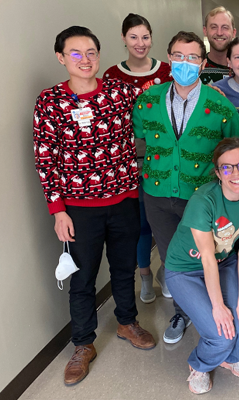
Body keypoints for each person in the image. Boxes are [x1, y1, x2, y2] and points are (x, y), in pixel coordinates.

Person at [33, 26, 155, 386]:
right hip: (78, 208)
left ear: (99, 57)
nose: (84, 60)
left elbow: (150, 125)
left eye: (91, 53)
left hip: (124, 200)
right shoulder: (50, 100)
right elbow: (45, 158)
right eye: (75, 53)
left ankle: (126, 322)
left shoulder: (120, 93)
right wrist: (57, 211)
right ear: (61, 57)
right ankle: (83, 344)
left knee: (123, 268)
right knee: (82, 278)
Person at [133, 31, 239, 345]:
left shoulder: (220, 105)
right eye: (179, 56)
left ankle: (221, 310)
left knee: (209, 255)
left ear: (203, 62)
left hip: (202, 198)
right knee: (173, 260)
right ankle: (183, 312)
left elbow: (236, 151)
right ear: (169, 58)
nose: (185, 63)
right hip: (157, 195)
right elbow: (140, 136)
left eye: (193, 57)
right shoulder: (147, 100)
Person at [165, 138, 239, 394]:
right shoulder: (203, 201)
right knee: (221, 333)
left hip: (225, 263)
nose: (236, 174)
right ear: (218, 173)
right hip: (185, 269)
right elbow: (207, 258)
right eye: (227, 168)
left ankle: (230, 358)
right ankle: (200, 364)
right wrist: (220, 306)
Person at [103, 13, 173, 304]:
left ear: (152, 38)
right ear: (123, 39)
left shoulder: (167, 71)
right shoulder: (112, 76)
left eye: (145, 37)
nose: (140, 43)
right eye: (133, 37)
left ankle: (167, 272)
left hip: (165, 157)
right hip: (129, 160)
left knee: (167, 220)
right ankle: (145, 274)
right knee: (141, 223)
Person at [200, 6, 236, 85]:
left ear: (233, 33)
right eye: (214, 27)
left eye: (225, 27)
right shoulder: (196, 68)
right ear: (205, 31)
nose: (219, 33)